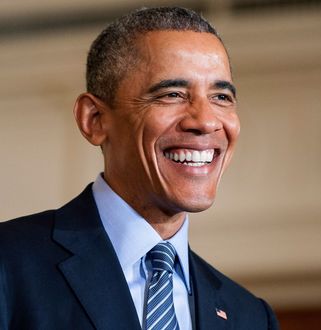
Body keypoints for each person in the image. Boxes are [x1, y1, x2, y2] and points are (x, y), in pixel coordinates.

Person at [0, 7, 279, 330]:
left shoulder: (250, 316)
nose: (205, 120)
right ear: (95, 120)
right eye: (172, 94)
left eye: (221, 96)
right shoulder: (9, 264)